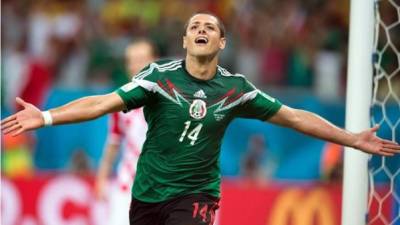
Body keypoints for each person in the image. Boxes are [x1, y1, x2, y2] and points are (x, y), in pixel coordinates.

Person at [2, 12, 400, 225]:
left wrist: (351, 139)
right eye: (194, 26)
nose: (201, 29)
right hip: (146, 196)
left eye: (210, 26)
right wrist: (48, 117)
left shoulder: (236, 89)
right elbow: (102, 103)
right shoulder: (158, 80)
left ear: (221, 42)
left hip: (196, 196)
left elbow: (294, 117)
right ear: (185, 40)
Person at [94, 39, 157, 225]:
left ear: (154, 62)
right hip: (127, 184)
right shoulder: (119, 103)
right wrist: (102, 177)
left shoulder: (169, 100)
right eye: (132, 60)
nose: (137, 65)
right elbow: (113, 144)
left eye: (142, 59)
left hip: (161, 186)